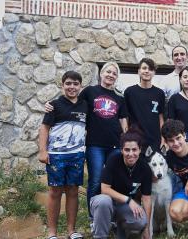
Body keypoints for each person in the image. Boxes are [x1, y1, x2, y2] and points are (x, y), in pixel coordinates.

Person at [45, 62, 128, 217]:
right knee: (96, 181)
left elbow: (123, 121)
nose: (110, 75)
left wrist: (125, 140)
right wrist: (51, 105)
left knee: (115, 181)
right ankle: (93, 216)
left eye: (114, 73)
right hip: (94, 145)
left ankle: (114, 216)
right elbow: (72, 100)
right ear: (101, 74)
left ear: (117, 77)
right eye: (107, 72)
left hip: (115, 145)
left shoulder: (119, 98)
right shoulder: (90, 91)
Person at [39, 71, 86, 239]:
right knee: (55, 192)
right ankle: (52, 233)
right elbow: (44, 128)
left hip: (77, 156)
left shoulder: (84, 105)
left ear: (80, 86)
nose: (72, 87)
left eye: (75, 84)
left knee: (73, 191)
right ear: (62, 85)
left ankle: (71, 231)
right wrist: (43, 151)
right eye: (68, 83)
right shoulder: (54, 105)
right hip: (56, 156)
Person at [90, 128, 152, 239]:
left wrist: (147, 228)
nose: (131, 154)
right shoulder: (113, 160)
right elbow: (105, 190)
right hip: (103, 201)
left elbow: (147, 198)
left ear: (140, 150)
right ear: (122, 150)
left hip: (123, 206)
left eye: (134, 150)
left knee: (141, 222)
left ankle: (118, 228)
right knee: (104, 201)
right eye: (127, 150)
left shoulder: (145, 168)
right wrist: (129, 200)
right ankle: (100, 235)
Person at [124, 58, 165, 150]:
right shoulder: (129, 92)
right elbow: (125, 118)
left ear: (154, 73)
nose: (147, 71)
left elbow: (160, 118)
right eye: (144, 68)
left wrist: (163, 139)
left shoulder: (159, 93)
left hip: (155, 140)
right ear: (139, 71)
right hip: (135, 140)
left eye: (150, 69)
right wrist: (126, 137)